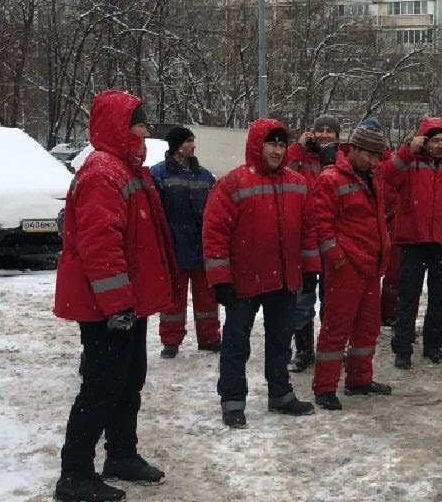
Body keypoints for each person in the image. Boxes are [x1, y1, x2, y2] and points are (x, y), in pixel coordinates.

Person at [53, 91, 176, 502]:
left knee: (128, 380)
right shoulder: (103, 172)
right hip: (107, 305)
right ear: (119, 127)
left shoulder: (127, 169)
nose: (144, 131)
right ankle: (75, 473)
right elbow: (100, 244)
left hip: (127, 303)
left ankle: (121, 454)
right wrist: (117, 304)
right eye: (137, 123)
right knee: (102, 385)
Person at [203, 119, 317, 428]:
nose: (278, 151)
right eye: (272, 144)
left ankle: (280, 393)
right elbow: (215, 234)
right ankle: (232, 400)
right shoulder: (233, 183)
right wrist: (221, 279)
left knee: (280, 340)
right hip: (243, 281)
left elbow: (308, 231)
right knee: (236, 343)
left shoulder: (297, 183)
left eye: (282, 145)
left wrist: (309, 269)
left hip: (284, 279)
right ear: (257, 145)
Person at [309, 122, 395, 410]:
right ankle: (324, 388)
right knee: (336, 329)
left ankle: (359, 379)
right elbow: (322, 226)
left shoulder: (374, 177)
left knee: (367, 329)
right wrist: (338, 259)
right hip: (346, 267)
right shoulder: (331, 179)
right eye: (369, 155)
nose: (373, 161)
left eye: (376, 156)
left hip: (371, 266)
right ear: (353, 149)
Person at [380, 117, 442, 369]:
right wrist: (407, 151)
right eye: (435, 140)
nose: (440, 145)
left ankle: (433, 345)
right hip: (412, 242)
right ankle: (402, 347)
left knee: (438, 298)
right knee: (407, 297)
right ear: (423, 141)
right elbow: (386, 176)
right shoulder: (408, 164)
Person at [149, 126, 220, 359]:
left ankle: (209, 338)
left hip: (201, 247)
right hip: (174, 246)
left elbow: (214, 210)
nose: (193, 145)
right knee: (174, 299)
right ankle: (171, 340)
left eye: (193, 140)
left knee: (207, 297)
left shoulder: (205, 175)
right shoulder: (158, 174)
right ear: (177, 145)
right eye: (189, 141)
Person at [284, 115, 340, 374]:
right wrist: (297, 147)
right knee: (302, 298)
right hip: (305, 238)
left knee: (332, 298)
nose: (325, 135)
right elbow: (283, 171)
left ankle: (330, 349)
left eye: (330, 131)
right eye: (321, 130)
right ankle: (304, 350)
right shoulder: (300, 157)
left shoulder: (342, 159)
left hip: (333, 236)